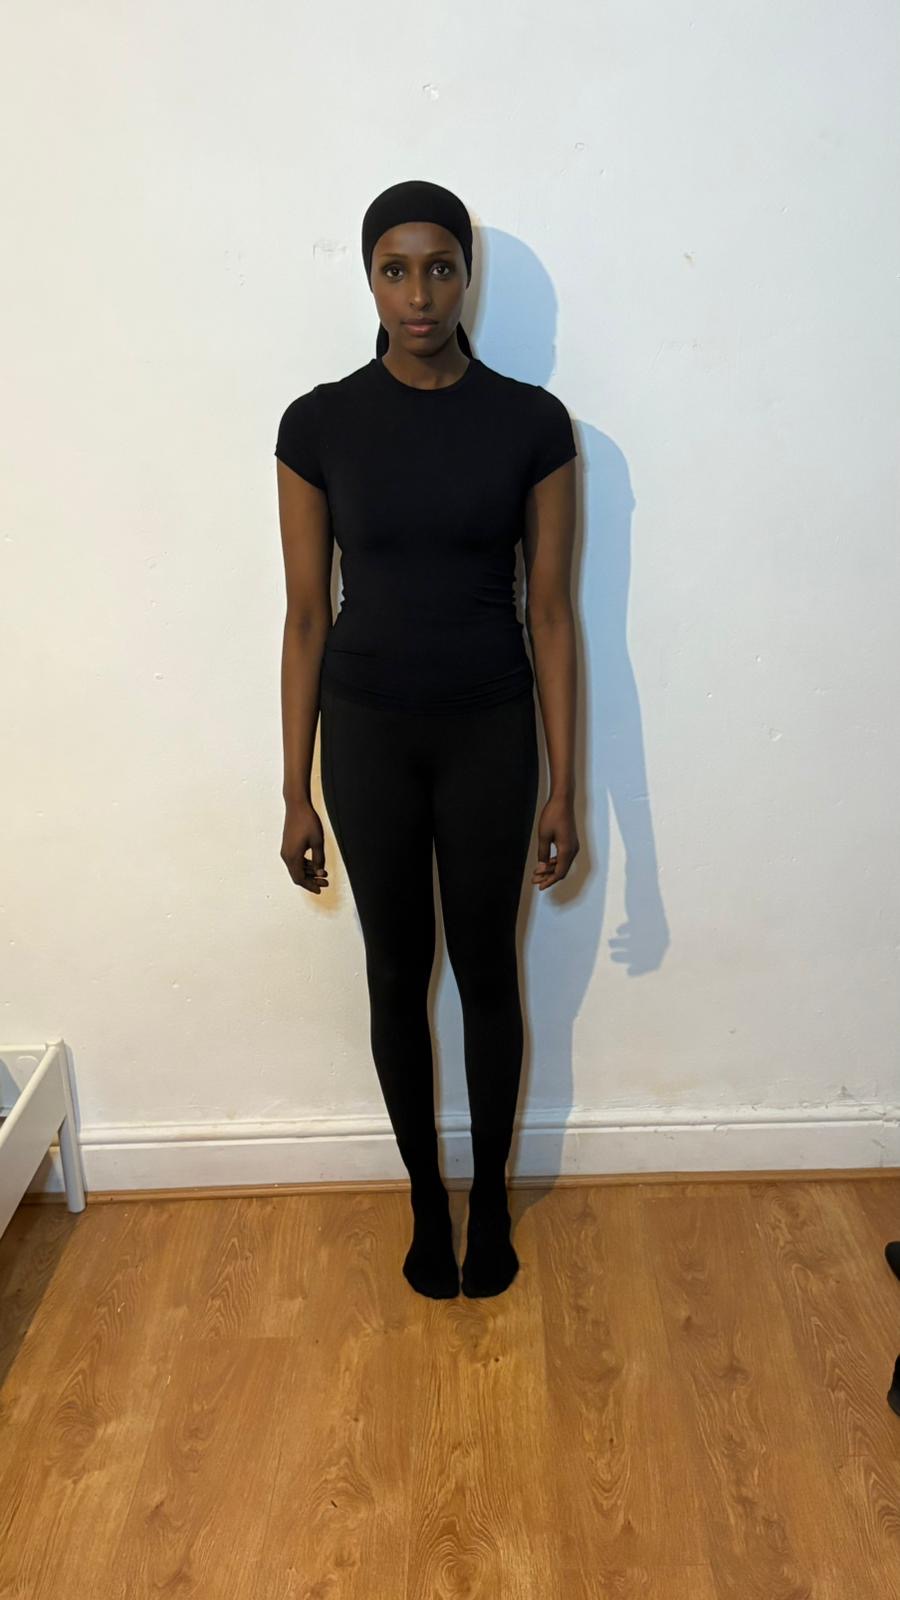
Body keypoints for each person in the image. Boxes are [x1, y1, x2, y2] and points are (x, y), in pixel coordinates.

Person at [274, 179, 579, 1300]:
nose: (419, 294)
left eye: (440, 267)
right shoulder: (318, 425)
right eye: (395, 269)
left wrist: (565, 784)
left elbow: (552, 614)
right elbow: (305, 615)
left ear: (467, 277)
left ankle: (489, 1200)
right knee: (395, 973)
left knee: (488, 968)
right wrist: (295, 789)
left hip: (491, 729)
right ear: (369, 277)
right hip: (367, 737)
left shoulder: (531, 425)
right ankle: (421, 1197)